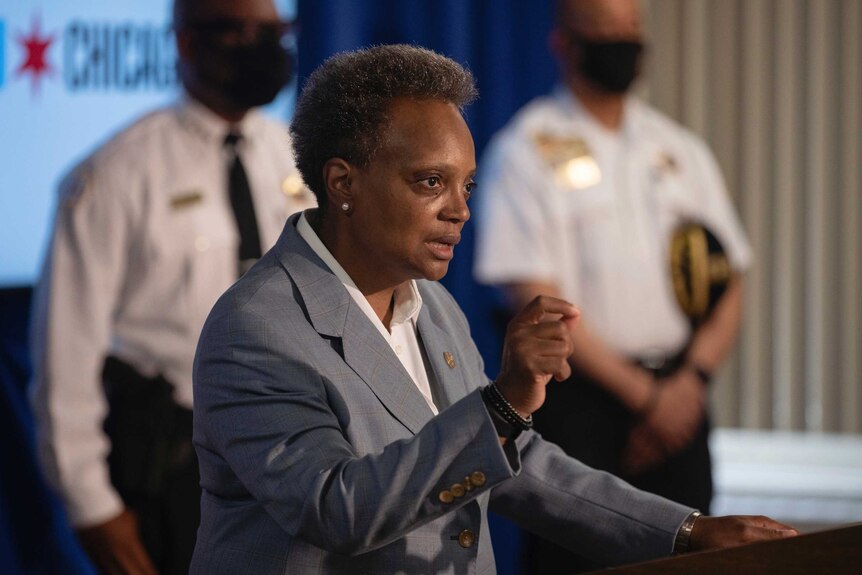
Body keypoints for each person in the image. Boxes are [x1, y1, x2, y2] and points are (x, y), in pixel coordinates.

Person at [190, 44, 793, 575]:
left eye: (467, 186)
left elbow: (514, 463)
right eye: (431, 183)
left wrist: (686, 533)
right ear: (343, 183)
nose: (460, 211)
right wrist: (502, 404)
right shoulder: (257, 326)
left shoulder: (436, 307)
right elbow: (336, 506)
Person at [29, 0, 313, 573]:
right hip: (182, 467)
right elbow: (66, 354)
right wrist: (93, 508)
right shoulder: (116, 174)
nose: (265, 45)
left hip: (297, 450)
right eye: (243, 31)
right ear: (188, 42)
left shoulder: (297, 155)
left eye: (275, 30)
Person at [473, 0, 753, 572]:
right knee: (574, 558)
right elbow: (529, 295)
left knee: (693, 551)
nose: (624, 45)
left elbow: (730, 277)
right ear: (564, 44)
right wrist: (646, 398)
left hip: (681, 391)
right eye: (606, 33)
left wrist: (688, 383)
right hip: (579, 401)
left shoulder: (678, 148)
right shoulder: (526, 149)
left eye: (632, 31)